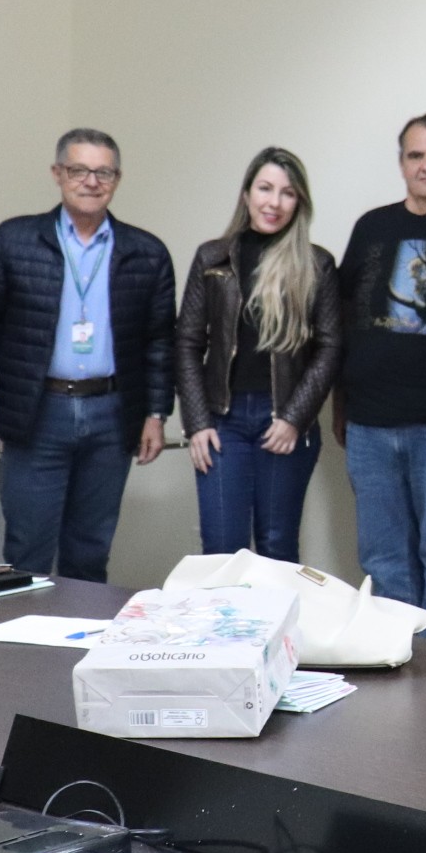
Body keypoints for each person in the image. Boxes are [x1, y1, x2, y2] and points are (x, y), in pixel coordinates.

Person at [0, 129, 176, 583]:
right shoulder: (14, 240)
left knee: (90, 549)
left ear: (117, 179)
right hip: (37, 411)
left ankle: (77, 646)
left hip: (111, 415)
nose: (91, 181)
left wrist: (156, 412)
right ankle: (17, 649)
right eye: (79, 170)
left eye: (104, 172)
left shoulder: (147, 253)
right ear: (58, 174)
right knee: (26, 547)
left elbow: (160, 342)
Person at [334, 114, 426, 643]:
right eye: (416, 155)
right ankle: (396, 663)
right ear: (401, 164)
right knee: (383, 560)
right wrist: (341, 404)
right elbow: (344, 315)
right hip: (370, 427)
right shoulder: (372, 226)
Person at [175, 147, 341, 560]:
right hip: (221, 422)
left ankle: (276, 629)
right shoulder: (212, 258)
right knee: (220, 549)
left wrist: (294, 418)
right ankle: (222, 629)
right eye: (265, 188)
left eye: (287, 193)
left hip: (282, 421)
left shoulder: (316, 264)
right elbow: (187, 342)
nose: (274, 202)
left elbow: (331, 346)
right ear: (247, 193)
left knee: (276, 549)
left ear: (299, 201)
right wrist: (196, 422)